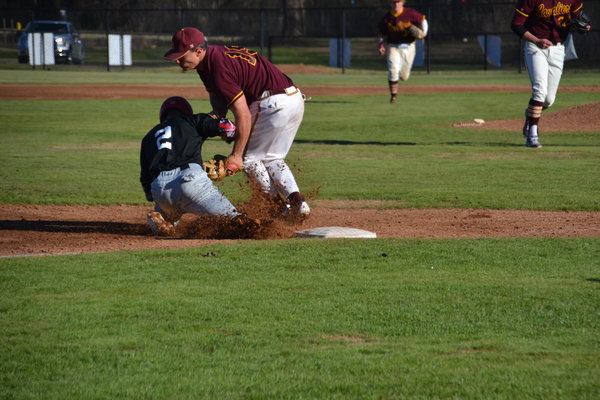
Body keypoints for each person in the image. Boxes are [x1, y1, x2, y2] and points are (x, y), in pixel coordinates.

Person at [163, 27, 310, 217]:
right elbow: (218, 101)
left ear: (198, 51)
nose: (177, 60)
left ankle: (276, 208)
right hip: (293, 99)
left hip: (271, 103)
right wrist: (218, 121)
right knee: (271, 158)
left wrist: (236, 155)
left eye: (182, 55)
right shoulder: (209, 61)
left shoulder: (217, 67)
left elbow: (243, 114)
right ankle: (297, 203)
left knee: (248, 160)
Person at [140, 96, 241, 235]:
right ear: (187, 112)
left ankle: (161, 217)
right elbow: (227, 127)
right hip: (189, 180)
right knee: (238, 222)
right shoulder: (191, 120)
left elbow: (147, 188)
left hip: (159, 189)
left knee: (170, 217)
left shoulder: (148, 137)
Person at [511, 0, 591, 148]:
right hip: (535, 47)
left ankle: (530, 115)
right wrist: (536, 40)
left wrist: (584, 26)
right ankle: (532, 135)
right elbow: (516, 24)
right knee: (539, 90)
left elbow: (578, 16)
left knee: (548, 100)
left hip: (558, 49)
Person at [377, 0, 428, 104]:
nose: (396, 4)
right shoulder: (386, 18)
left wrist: (424, 33)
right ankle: (393, 96)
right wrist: (381, 45)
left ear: (403, 2)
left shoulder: (409, 13)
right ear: (390, 3)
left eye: (398, 2)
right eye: (393, 2)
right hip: (393, 46)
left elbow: (423, 20)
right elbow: (381, 34)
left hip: (409, 47)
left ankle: (399, 77)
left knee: (404, 77)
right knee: (393, 69)